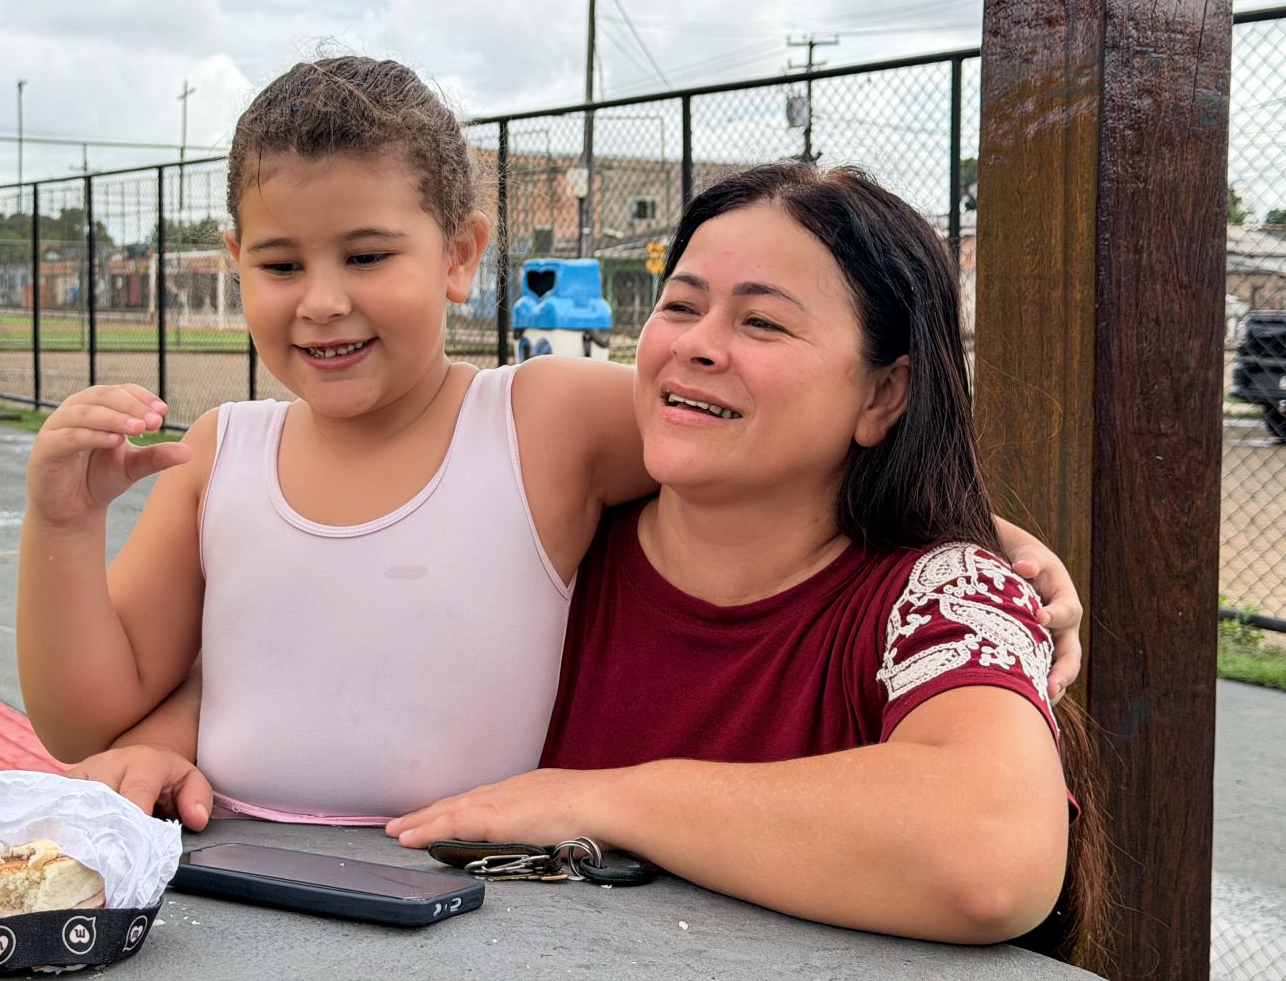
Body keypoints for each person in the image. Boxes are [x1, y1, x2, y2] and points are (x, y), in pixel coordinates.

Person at [21, 56, 1080, 827]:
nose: (323, 304)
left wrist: (989, 543)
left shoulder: (545, 420)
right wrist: (62, 526)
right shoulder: (220, 451)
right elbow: (92, 717)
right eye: (282, 266)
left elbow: (772, 445)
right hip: (245, 874)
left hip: (467, 891)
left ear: (460, 255)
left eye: (367, 254)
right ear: (235, 260)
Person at [385, 163, 1107, 968]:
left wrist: (605, 798)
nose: (695, 344)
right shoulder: (545, 539)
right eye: (681, 306)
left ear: (884, 395)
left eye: (761, 323)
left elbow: (991, 855)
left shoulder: (944, 595)